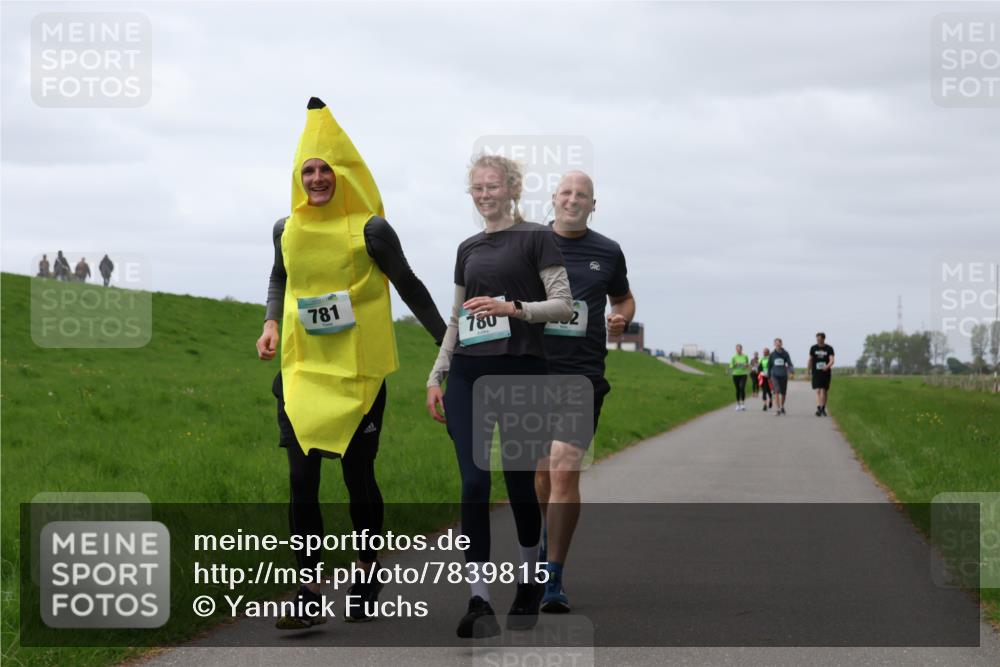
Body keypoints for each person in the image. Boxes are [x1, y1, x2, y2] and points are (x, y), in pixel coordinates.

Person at [256, 97, 446, 629]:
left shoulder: (371, 230)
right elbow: (279, 276)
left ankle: (366, 572)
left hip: (358, 375)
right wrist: (270, 322)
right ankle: (309, 590)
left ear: (344, 174)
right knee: (301, 480)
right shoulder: (285, 229)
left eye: (326, 170)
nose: (317, 179)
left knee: (358, 478)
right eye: (308, 170)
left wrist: (447, 345)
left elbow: (409, 286)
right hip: (302, 370)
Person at [426, 153, 572, 638]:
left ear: (512, 188)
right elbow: (456, 319)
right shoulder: (467, 247)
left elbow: (563, 306)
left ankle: (529, 582)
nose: (484, 194)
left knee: (518, 483)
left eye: (492, 186)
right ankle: (479, 600)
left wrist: (512, 308)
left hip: (521, 372)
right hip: (469, 374)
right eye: (477, 188)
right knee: (473, 483)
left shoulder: (537, 238)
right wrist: (436, 375)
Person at [534, 170, 634, 614]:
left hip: (582, 376)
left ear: (594, 205)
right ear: (554, 198)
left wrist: (621, 317)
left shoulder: (607, 251)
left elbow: (623, 298)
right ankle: (546, 541)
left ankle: (553, 576)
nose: (573, 200)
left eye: (583, 195)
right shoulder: (530, 244)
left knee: (564, 470)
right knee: (540, 475)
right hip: (533, 374)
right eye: (567, 192)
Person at [808, 332, 835, 416]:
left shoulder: (829, 348)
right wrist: (808, 370)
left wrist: (827, 366)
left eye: (820, 339)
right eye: (817, 339)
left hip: (825, 372)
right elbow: (810, 359)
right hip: (816, 372)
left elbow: (832, 360)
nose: (818, 341)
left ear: (823, 339)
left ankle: (823, 408)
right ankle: (819, 408)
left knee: (824, 390)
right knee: (818, 390)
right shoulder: (813, 348)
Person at [767, 338, 794, 415]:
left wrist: (791, 370)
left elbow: (789, 363)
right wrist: (768, 375)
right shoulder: (772, 354)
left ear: (781, 344)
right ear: (774, 344)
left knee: (783, 392)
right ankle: (777, 409)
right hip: (774, 375)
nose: (777, 345)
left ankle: (782, 406)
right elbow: (769, 366)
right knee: (777, 391)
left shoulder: (785, 353)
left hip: (783, 375)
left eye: (779, 343)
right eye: (776, 343)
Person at [728, 344, 750, 411]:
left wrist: (746, 365)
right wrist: (735, 364)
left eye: (739, 349)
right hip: (735, 374)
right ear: (736, 350)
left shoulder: (745, 356)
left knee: (742, 388)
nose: (738, 350)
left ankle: (743, 404)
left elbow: (747, 365)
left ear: (741, 349)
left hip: (743, 374)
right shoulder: (734, 357)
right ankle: (738, 404)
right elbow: (730, 366)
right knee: (737, 389)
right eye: (737, 349)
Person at [759, 346, 773, 411]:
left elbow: (772, 367)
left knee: (769, 390)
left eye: (766, 352)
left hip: (769, 377)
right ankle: (765, 405)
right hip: (763, 376)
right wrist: (760, 371)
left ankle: (770, 400)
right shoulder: (761, 359)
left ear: (768, 352)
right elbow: (759, 367)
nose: (764, 353)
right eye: (764, 352)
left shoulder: (771, 358)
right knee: (764, 391)